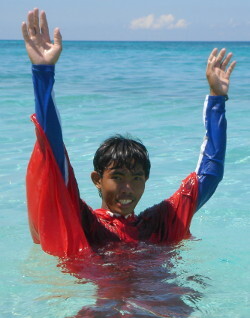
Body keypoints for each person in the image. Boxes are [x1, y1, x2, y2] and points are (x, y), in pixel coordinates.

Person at [22, 9, 236, 258]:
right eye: (118, 177)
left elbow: (211, 173)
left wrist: (217, 99)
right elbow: (54, 158)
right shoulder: (86, 225)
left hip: (167, 297)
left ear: (146, 180)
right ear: (97, 179)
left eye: (136, 178)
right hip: (110, 298)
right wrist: (43, 73)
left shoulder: (161, 223)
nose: (127, 188)